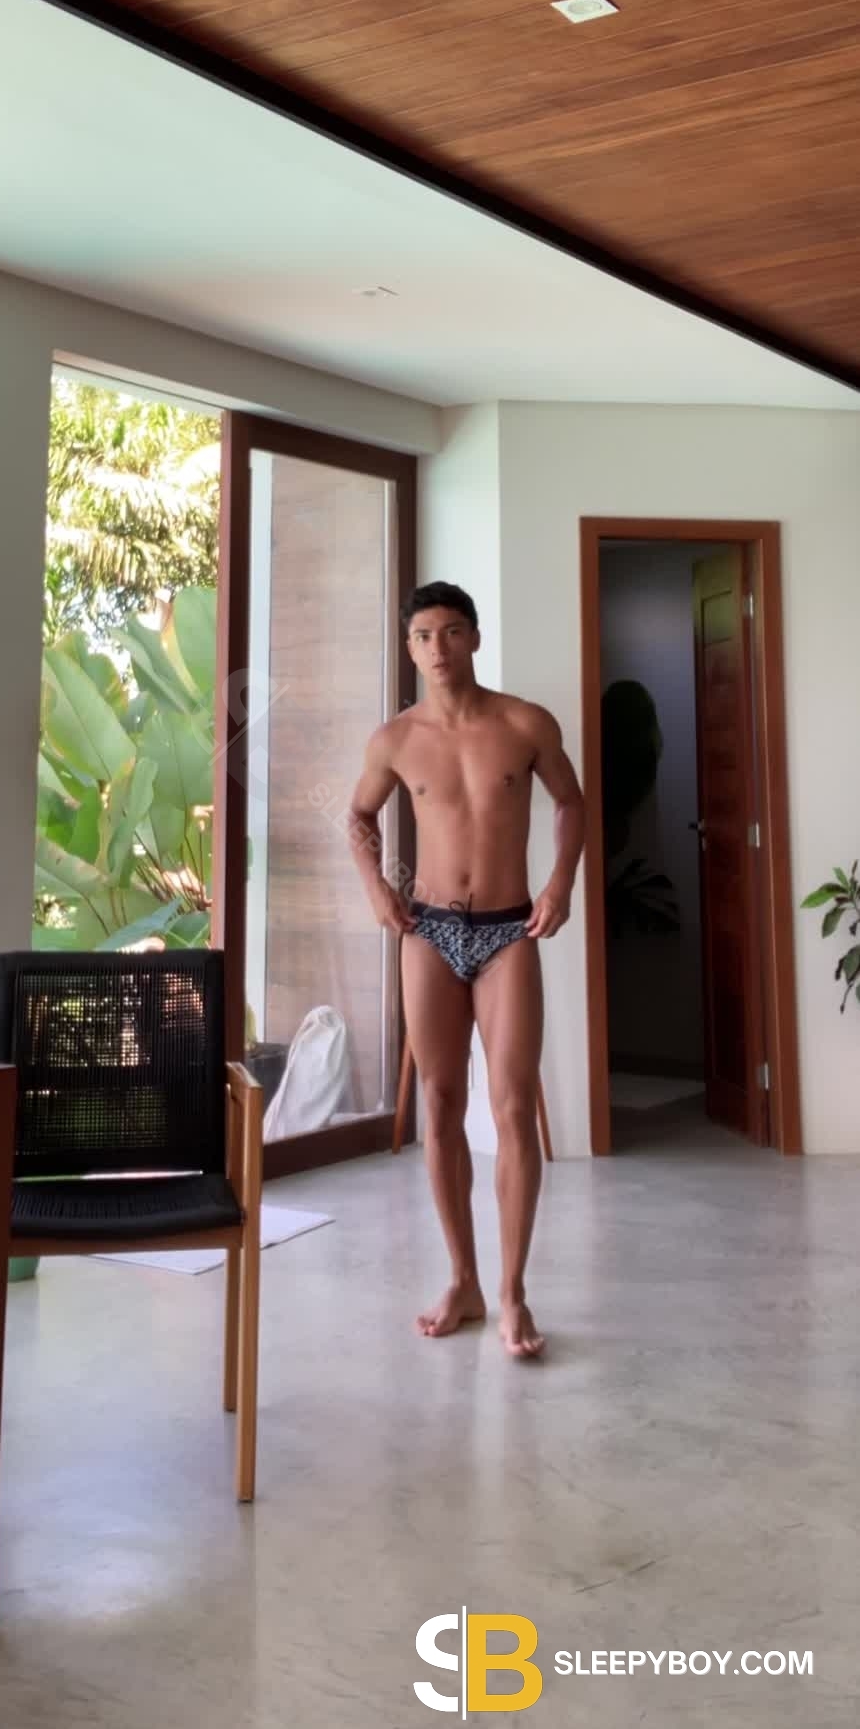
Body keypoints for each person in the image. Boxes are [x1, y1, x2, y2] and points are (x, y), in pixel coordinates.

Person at [349, 581, 584, 1358]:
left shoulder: (525, 724)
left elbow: (572, 803)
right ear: (410, 650)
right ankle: (464, 1280)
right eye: (423, 637)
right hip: (429, 931)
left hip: (509, 931)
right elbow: (358, 815)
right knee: (441, 1103)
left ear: (474, 639)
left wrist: (560, 883)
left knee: (513, 1108)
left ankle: (512, 1292)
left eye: (451, 632)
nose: (438, 648)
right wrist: (377, 887)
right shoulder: (395, 739)